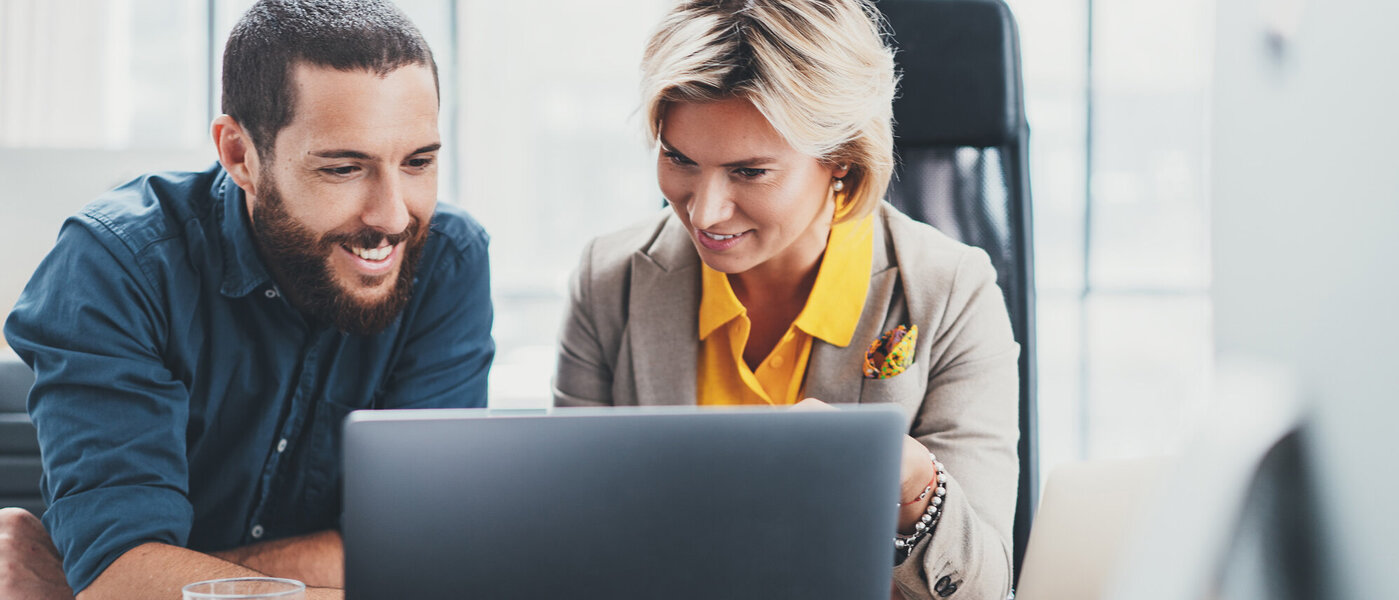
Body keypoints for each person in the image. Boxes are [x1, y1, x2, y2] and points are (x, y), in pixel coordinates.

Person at [0, 1, 492, 598]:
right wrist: (124, 578)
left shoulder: (446, 259)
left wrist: (142, 579)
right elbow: (120, 573)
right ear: (240, 154)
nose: (392, 216)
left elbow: (426, 549)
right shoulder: (117, 265)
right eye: (342, 168)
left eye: (418, 162)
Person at [552, 0, 1019, 598]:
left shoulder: (951, 294)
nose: (705, 211)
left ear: (841, 162)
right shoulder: (607, 281)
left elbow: (982, 588)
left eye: (748, 171)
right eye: (679, 159)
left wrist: (909, 482)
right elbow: (571, 547)